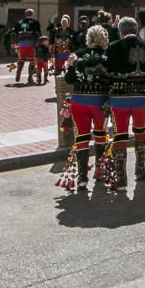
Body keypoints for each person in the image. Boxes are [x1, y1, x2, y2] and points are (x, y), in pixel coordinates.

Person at [104, 16, 145, 191]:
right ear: (136, 30)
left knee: (120, 134)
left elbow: (105, 73)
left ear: (121, 32)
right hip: (142, 99)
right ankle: (140, 170)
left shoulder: (113, 48)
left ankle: (121, 179)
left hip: (119, 99)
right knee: (140, 131)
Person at [61, 25, 110, 190]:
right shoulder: (106, 55)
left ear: (88, 38)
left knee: (81, 137)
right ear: (104, 39)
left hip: (79, 101)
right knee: (100, 135)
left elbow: (68, 79)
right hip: (100, 101)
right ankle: (100, 170)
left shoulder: (78, 54)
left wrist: (71, 66)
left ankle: (82, 177)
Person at [12, 9, 42, 84]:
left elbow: (14, 33)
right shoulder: (36, 22)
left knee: (21, 60)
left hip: (21, 44)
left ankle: (18, 73)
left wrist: (15, 42)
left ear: (25, 14)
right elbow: (38, 34)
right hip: (32, 44)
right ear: (32, 14)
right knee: (32, 61)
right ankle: (30, 77)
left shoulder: (19, 22)